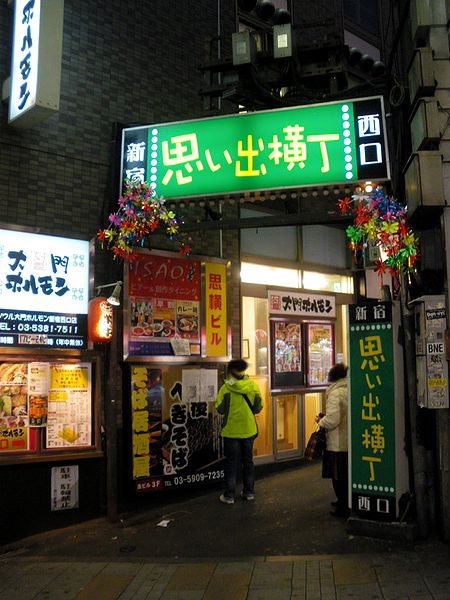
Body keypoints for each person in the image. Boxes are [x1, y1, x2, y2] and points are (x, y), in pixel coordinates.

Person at [215, 358, 263, 504]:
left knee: (231, 463)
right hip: (248, 430)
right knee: (248, 462)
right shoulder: (253, 387)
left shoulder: (225, 388)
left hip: (231, 431)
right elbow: (258, 407)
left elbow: (220, 408)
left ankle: (229, 495)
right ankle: (249, 492)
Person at [315, 363, 349, 518]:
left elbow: (333, 420)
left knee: (338, 477)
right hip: (347, 440)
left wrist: (321, 421)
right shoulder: (349, 389)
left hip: (337, 442)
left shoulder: (336, 393)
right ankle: (345, 502)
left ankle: (342, 505)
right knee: (345, 476)